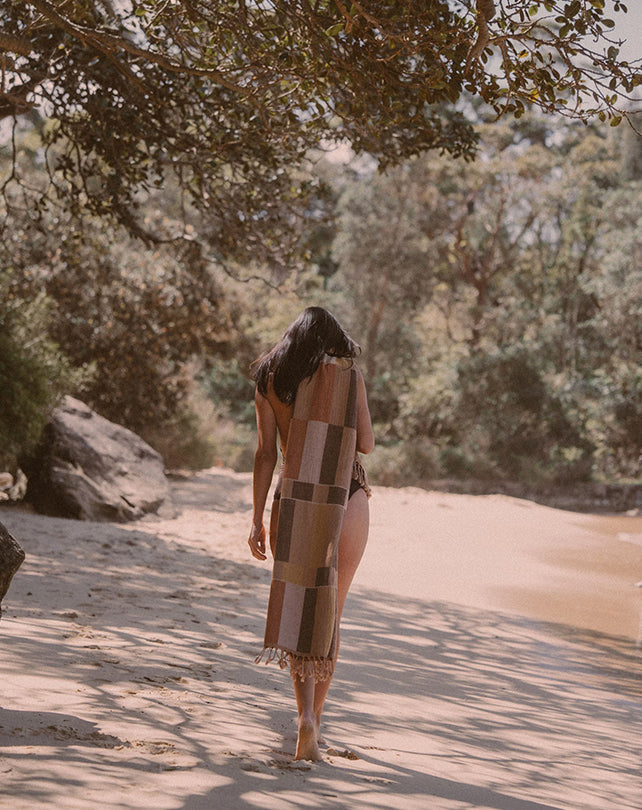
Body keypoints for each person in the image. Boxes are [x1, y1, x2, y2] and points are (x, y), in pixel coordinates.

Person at [248, 307, 374, 761]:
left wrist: (257, 518)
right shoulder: (347, 378)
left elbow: (266, 454)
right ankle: (316, 725)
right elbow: (367, 444)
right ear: (333, 340)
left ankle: (303, 715)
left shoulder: (268, 379)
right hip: (347, 494)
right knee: (331, 613)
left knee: (303, 608)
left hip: (296, 499)